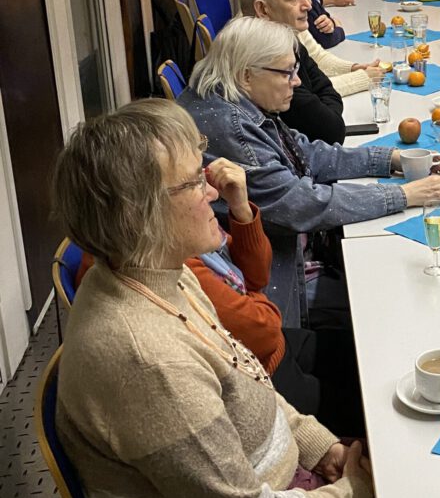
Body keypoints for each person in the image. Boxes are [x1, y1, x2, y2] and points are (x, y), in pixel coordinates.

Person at [53, 99, 373, 498]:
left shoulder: (164, 271)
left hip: (287, 475)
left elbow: (246, 374)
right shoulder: (148, 361)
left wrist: (322, 449)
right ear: (139, 214)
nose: (211, 191)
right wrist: (354, 492)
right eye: (192, 182)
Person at [177, 17, 440, 327]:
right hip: (276, 286)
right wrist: (405, 194)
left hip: (286, 259)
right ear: (247, 75)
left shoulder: (231, 100)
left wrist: (390, 158)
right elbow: (300, 204)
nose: (297, 82)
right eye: (288, 72)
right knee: (392, 302)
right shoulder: (230, 127)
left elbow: (305, 152)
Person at [72, 154, 366, 437]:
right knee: (366, 406)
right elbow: (261, 331)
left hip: (266, 351)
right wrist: (255, 298)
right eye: (194, 182)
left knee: (363, 352)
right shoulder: (166, 264)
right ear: (145, 205)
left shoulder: (173, 240)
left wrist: (240, 207)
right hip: (259, 372)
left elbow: (257, 276)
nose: (213, 193)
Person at [237, 0, 347, 145]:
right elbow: (331, 132)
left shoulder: (287, 41)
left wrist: (326, 107)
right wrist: (325, 107)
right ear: (263, 9)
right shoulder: (267, 62)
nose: (308, 5)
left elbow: (328, 91)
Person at [260, 0, 383, 98]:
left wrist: (355, 68)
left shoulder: (288, 14)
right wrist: (363, 78)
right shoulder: (263, 36)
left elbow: (317, 57)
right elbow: (301, 92)